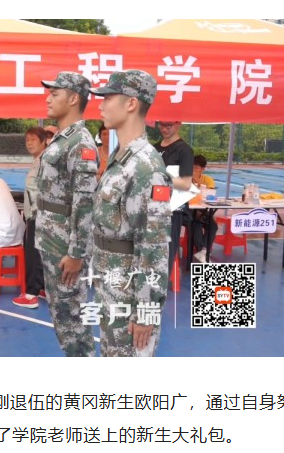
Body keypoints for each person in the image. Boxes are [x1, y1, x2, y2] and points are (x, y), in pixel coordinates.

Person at [89, 69, 172, 357]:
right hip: (113, 284)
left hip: (130, 294)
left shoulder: (146, 167)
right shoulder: (122, 157)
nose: (101, 105)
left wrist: (146, 312)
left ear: (131, 104)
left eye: (108, 98)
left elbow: (154, 246)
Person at [36, 71, 98, 356]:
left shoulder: (80, 143)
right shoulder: (63, 138)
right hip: (52, 237)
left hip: (64, 244)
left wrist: (76, 253)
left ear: (73, 99)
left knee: (71, 316)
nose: (48, 99)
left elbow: (84, 202)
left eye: (55, 94)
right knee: (61, 313)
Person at [12, 126, 47, 308]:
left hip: (38, 213)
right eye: (27, 140)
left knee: (34, 253)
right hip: (33, 213)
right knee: (37, 252)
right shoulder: (37, 161)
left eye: (33, 139)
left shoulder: (44, 162)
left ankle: (31, 294)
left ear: (44, 141)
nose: (29, 143)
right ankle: (41, 287)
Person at [154, 120, 193, 279]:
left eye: (168, 125)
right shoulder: (154, 149)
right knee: (151, 250)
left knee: (167, 252)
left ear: (178, 124)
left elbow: (186, 184)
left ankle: (160, 286)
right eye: (161, 125)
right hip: (153, 207)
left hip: (172, 210)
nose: (164, 129)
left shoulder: (184, 150)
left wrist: (160, 176)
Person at [190, 154, 218, 263]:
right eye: (191, 167)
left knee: (213, 225)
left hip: (203, 210)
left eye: (196, 168)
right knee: (196, 223)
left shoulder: (208, 180)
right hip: (189, 210)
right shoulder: (185, 179)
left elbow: (210, 194)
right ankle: (202, 251)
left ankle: (203, 251)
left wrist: (197, 180)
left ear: (202, 169)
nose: (193, 170)